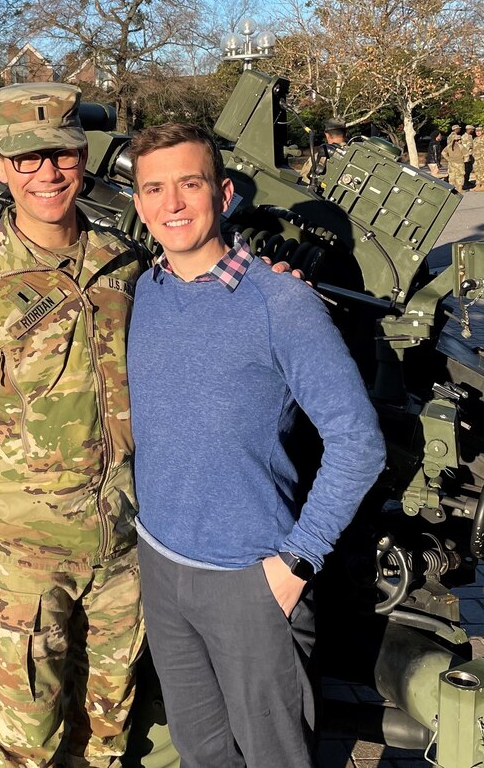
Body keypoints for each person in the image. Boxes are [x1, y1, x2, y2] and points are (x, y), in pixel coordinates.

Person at [125, 123, 386, 768]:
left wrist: (296, 563)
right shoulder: (144, 295)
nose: (173, 204)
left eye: (190, 183)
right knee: (201, 752)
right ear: (137, 202)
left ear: (225, 191)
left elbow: (359, 441)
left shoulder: (282, 301)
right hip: (162, 565)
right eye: (154, 188)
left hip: (252, 580)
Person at [0, 82, 146, 767]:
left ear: (83, 156)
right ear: (0, 165)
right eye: (28, 157)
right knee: (24, 748)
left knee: (108, 739)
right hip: (23, 561)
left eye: (63, 155)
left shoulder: (122, 264)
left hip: (122, 548)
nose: (48, 173)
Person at [299, 117, 347, 182]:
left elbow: (304, 180)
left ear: (327, 135)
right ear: (346, 134)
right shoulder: (356, 155)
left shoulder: (318, 157)